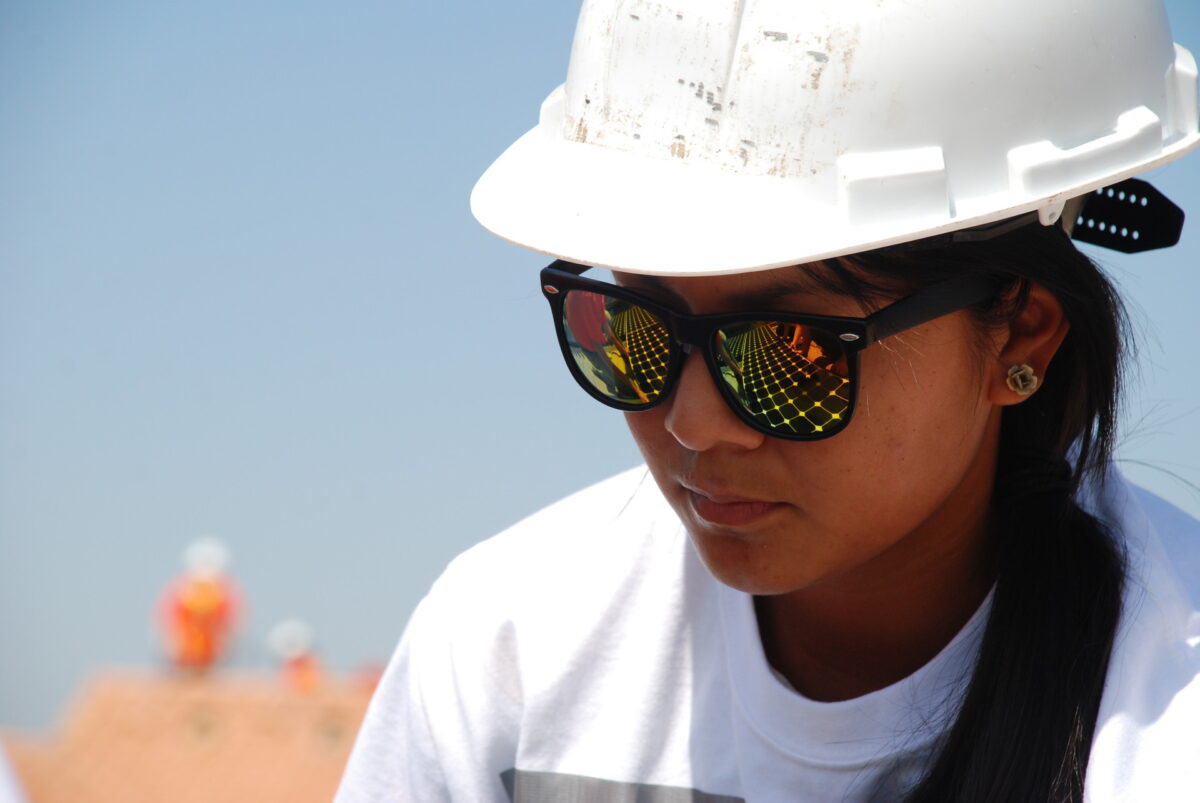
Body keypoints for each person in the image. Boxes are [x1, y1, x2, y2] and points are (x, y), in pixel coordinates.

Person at [337, 1, 1200, 800]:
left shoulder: (1171, 716)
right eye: (636, 328)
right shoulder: (506, 646)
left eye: (790, 354)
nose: (693, 422)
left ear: (1018, 333)